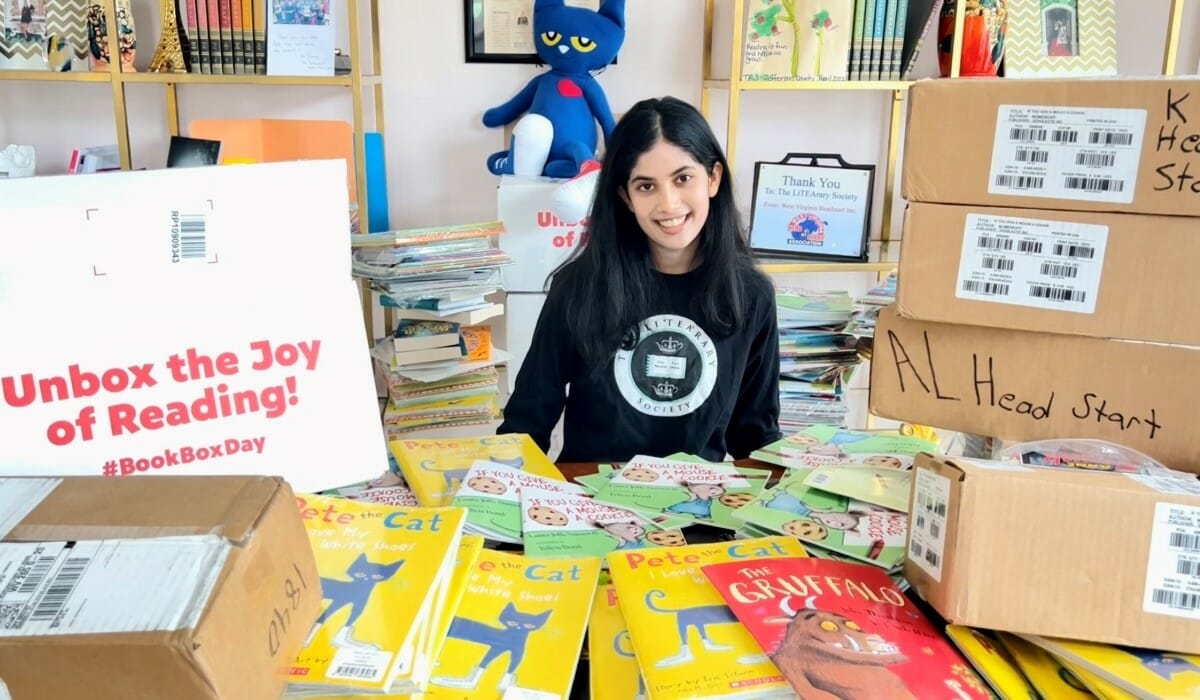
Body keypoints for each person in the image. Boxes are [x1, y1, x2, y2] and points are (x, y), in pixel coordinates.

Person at [497, 96, 782, 463]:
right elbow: (527, 420)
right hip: (591, 503)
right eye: (646, 186)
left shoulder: (751, 295)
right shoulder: (579, 286)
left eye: (683, 179)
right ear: (625, 196)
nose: (669, 204)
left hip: (696, 508)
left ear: (712, 179)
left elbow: (755, 434)